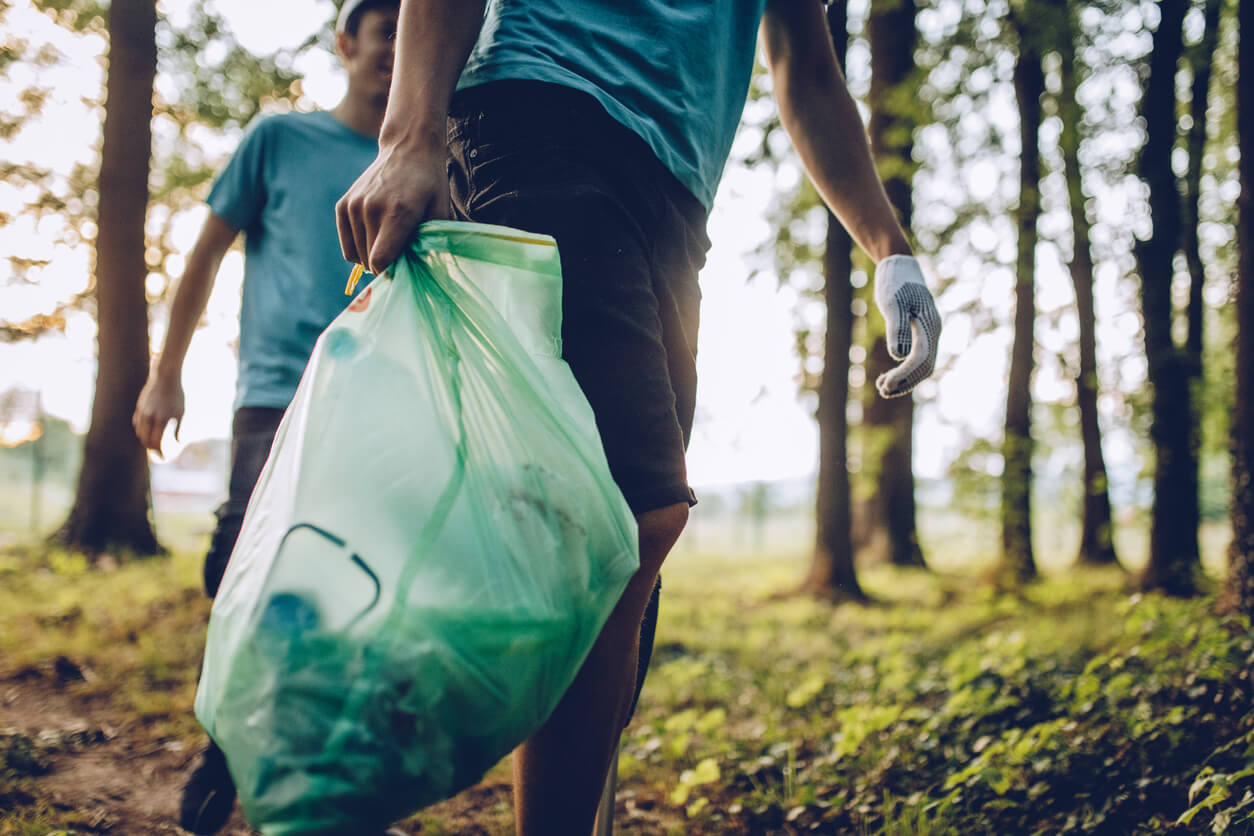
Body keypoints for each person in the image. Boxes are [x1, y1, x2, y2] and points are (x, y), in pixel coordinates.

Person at [336, 2, 943, 834]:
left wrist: (890, 249)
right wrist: (409, 135)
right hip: (541, 110)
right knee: (630, 517)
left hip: (677, 192)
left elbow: (806, 65)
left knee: (619, 547)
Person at [130, 1, 400, 832]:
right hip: (275, 393)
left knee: (352, 576)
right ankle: (227, 736)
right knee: (240, 560)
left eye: (411, 38)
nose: (396, 52)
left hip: (377, 400)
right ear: (347, 44)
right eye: (384, 35)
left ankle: (315, 757)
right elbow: (206, 249)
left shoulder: (427, 158)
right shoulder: (280, 141)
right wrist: (164, 374)